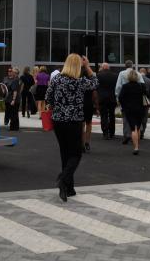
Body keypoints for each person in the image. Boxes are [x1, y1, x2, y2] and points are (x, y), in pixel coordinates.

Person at [44, 54, 97, 201]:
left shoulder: (56, 79)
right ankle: (63, 179)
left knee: (65, 153)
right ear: (78, 66)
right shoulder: (79, 81)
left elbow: (48, 98)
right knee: (76, 153)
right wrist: (87, 66)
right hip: (74, 121)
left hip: (58, 121)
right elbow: (95, 82)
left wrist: (59, 106)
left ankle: (69, 188)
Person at [115, 61, 145, 144]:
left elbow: (118, 86)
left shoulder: (121, 73)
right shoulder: (137, 73)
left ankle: (127, 135)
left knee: (126, 118)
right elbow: (143, 84)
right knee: (137, 118)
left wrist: (117, 97)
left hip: (126, 98)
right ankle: (137, 134)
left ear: (125, 65)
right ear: (132, 66)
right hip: (137, 99)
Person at [96, 62, 118, 139]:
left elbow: (96, 87)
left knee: (104, 115)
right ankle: (112, 132)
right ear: (108, 68)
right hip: (112, 98)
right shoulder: (115, 75)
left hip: (102, 98)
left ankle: (105, 133)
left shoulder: (98, 75)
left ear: (102, 67)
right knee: (112, 115)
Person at [81, 64, 98, 152]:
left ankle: (82, 143)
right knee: (89, 123)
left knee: (82, 124)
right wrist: (97, 106)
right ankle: (87, 141)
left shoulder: (79, 81)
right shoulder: (90, 82)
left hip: (80, 104)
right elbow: (94, 95)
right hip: (89, 104)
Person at [139, 68, 150, 138]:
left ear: (139, 72)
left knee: (137, 117)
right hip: (146, 101)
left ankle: (137, 130)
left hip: (136, 102)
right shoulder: (149, 81)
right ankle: (142, 132)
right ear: (145, 73)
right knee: (144, 117)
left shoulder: (135, 80)